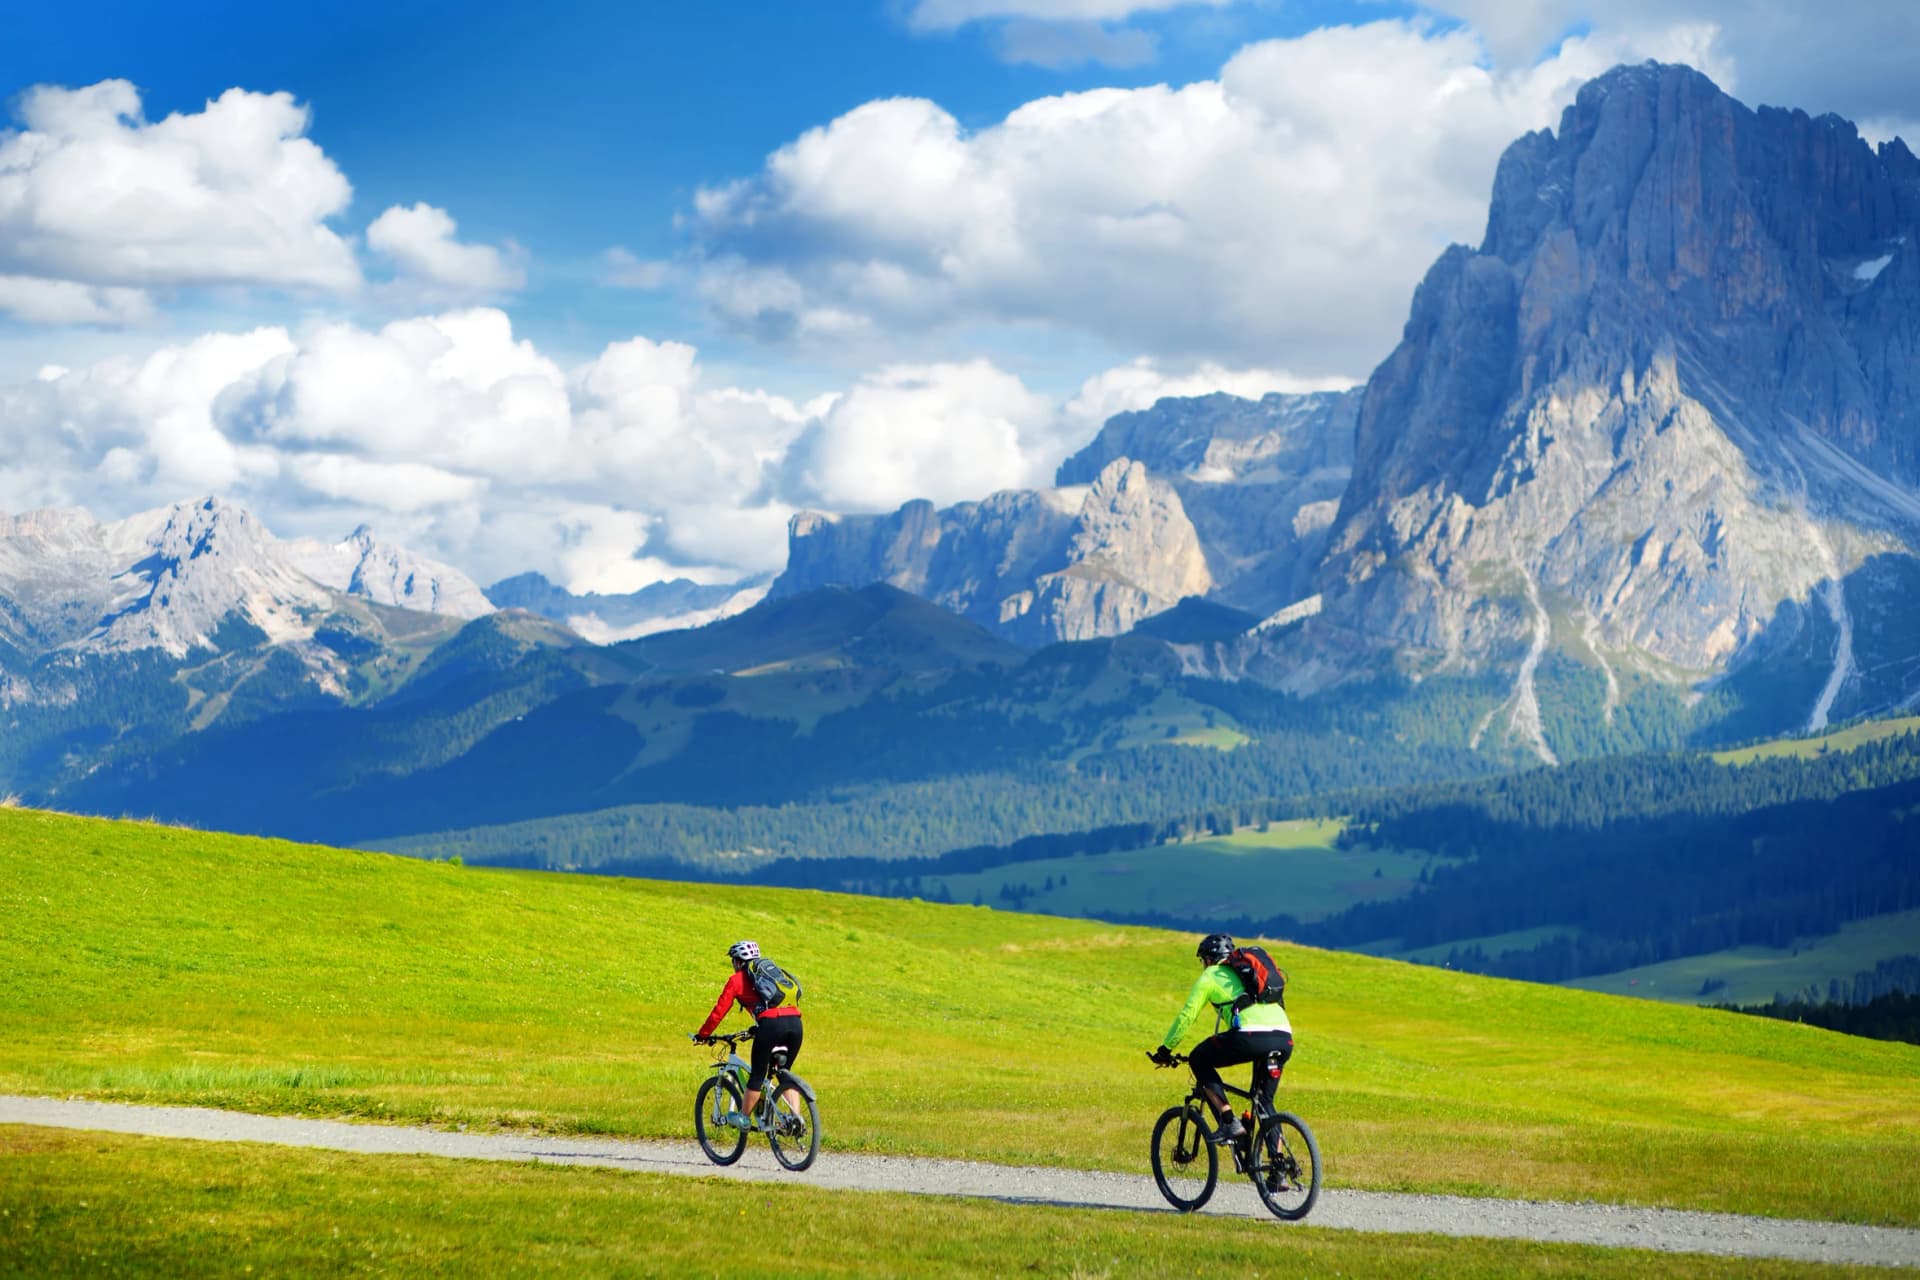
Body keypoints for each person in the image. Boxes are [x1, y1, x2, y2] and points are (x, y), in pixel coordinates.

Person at [1150, 932, 1292, 1145]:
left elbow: (1187, 1015)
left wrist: (1165, 1049)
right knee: (1264, 1102)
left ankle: (1228, 1121)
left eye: (1202, 961)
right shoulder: (1249, 976)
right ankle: (1279, 1168)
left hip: (1251, 1035)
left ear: (1208, 959)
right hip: (1284, 1037)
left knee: (1199, 1058)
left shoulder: (1211, 975)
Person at [690, 939, 804, 1131]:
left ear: (738, 961)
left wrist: (703, 1035)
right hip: (795, 1024)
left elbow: (719, 1011)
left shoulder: (736, 980)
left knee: (757, 1076)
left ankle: (743, 1118)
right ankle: (796, 1119)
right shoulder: (770, 975)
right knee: (784, 1073)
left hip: (771, 1025)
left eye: (733, 961)